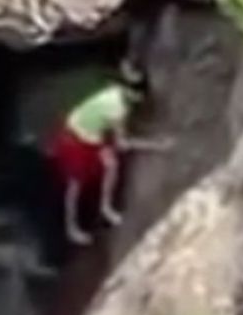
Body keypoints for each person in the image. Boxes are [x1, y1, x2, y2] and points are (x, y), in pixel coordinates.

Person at [50, 62, 168, 246]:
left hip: (87, 128)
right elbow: (123, 143)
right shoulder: (119, 109)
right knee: (76, 183)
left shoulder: (115, 93)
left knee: (110, 165)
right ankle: (71, 227)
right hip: (77, 137)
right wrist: (156, 145)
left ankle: (106, 208)